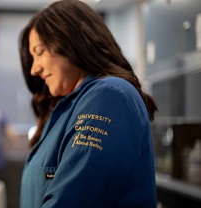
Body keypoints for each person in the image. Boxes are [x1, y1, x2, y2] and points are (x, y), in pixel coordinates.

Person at [18, 0, 158, 207]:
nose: (34, 69)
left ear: (71, 41)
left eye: (39, 52)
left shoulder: (109, 97)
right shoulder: (68, 108)